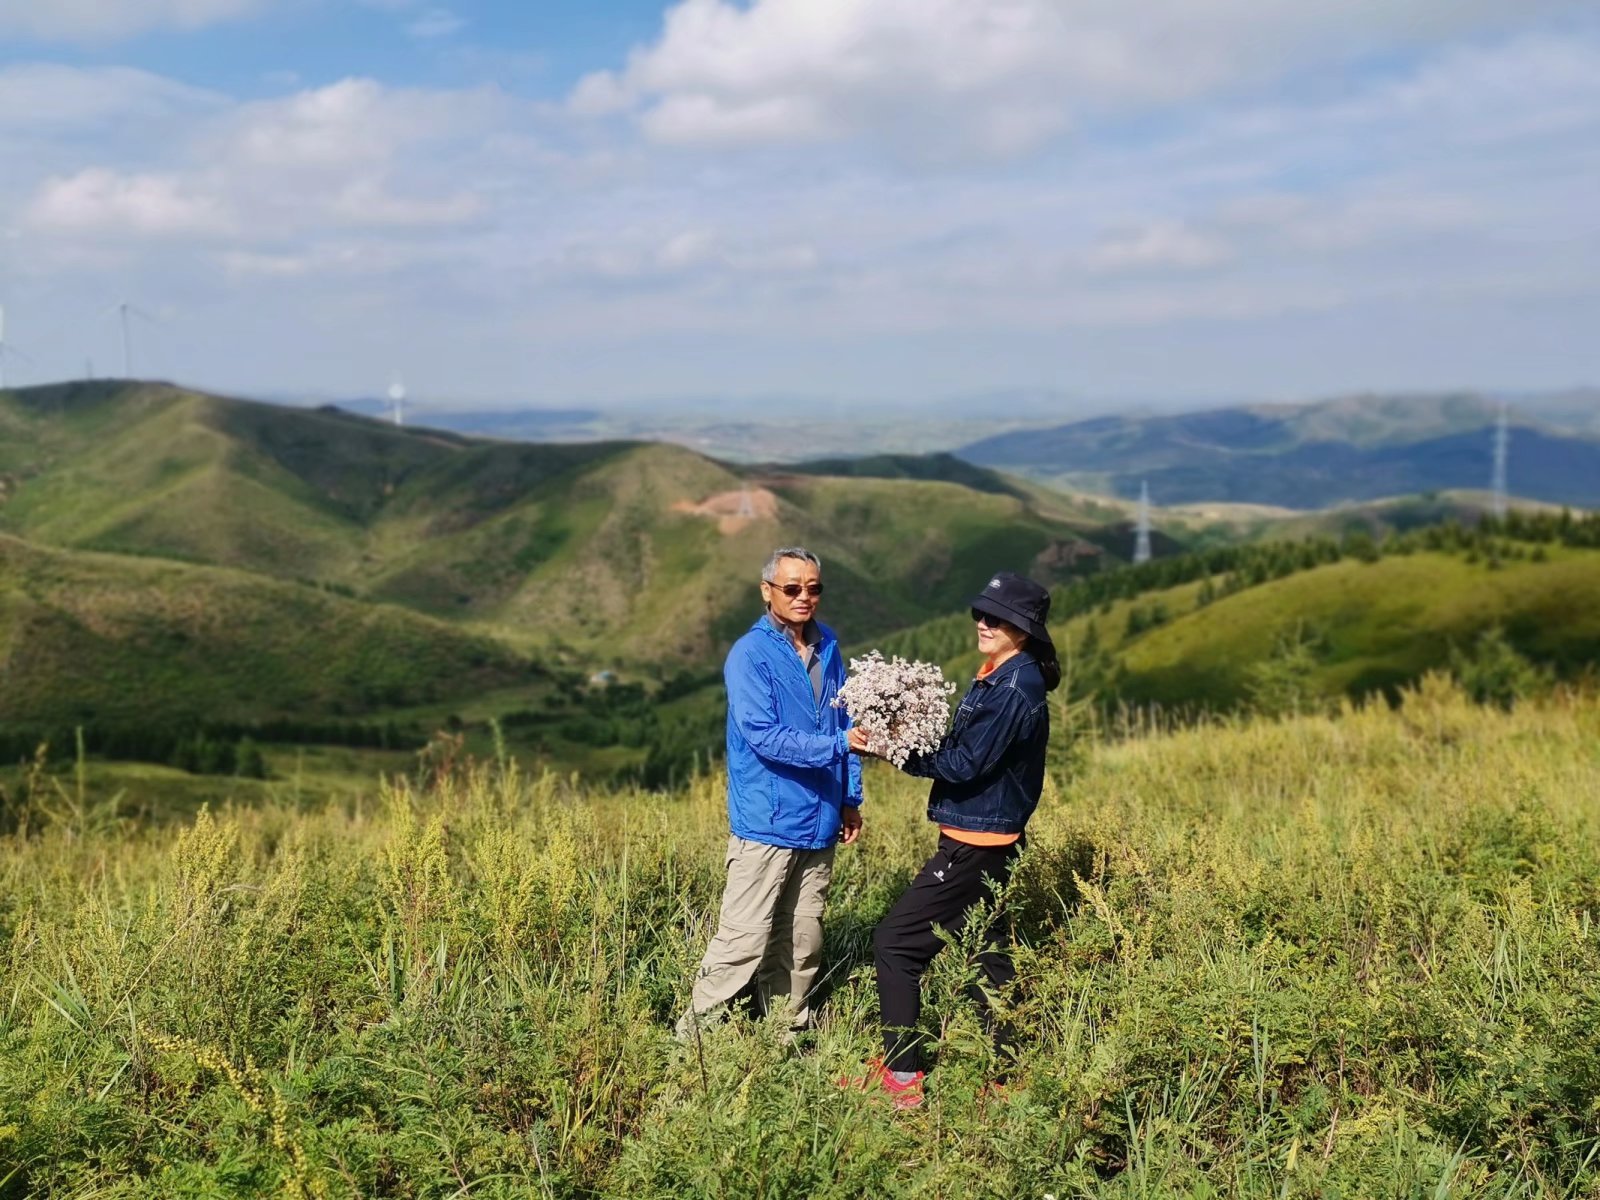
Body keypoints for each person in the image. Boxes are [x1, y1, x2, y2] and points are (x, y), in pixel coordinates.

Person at [846, 571, 1059, 1108]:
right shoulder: (1002, 671)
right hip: (990, 834)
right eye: (980, 613)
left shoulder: (1015, 686)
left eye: (999, 617)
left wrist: (895, 751)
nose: (984, 623)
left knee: (895, 944)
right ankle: (1007, 1077)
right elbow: (973, 749)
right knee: (989, 952)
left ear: (1026, 628)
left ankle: (901, 1080)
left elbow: (966, 764)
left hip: (977, 840)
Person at [676, 546, 864, 1039]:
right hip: (768, 819)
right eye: (792, 588)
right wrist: (838, 744)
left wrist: (851, 798)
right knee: (743, 939)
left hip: (821, 818)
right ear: (768, 592)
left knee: (802, 940)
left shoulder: (829, 647)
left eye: (814, 588)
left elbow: (847, 720)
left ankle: (784, 1034)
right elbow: (765, 736)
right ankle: (692, 1042)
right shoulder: (750, 654)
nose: (805, 597)